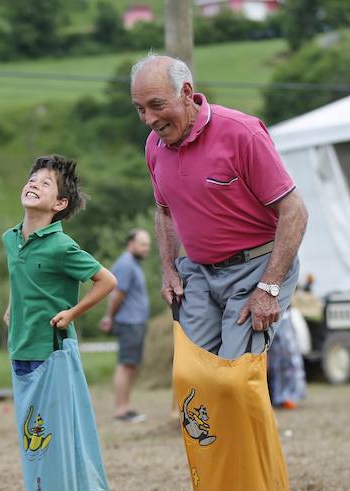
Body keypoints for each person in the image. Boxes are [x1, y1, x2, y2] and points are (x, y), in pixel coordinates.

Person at [131, 55, 307, 358]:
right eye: (140, 109)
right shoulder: (153, 146)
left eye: (156, 105)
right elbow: (164, 212)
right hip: (199, 273)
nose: (148, 119)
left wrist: (268, 287)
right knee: (196, 372)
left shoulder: (242, 133)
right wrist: (168, 269)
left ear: (186, 93)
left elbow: (295, 211)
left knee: (234, 378)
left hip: (256, 269)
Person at [3, 155, 116, 374]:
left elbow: (107, 281)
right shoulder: (10, 238)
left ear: (59, 203)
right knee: (28, 410)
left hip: (52, 350)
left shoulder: (61, 246)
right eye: (32, 179)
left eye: (45, 183)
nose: (34, 183)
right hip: (18, 347)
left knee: (53, 410)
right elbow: (20, 275)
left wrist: (72, 313)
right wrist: (11, 303)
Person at [99, 229, 152, 423]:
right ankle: (121, 410)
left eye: (147, 245)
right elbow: (117, 295)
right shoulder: (126, 264)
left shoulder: (133, 264)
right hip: (129, 322)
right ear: (131, 243)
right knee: (125, 365)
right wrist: (109, 317)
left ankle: (126, 407)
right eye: (143, 244)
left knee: (131, 366)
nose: (146, 249)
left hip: (136, 322)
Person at [267, 309, 307, 409]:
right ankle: (276, 395)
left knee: (287, 354)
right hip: (269, 316)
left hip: (281, 314)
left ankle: (287, 396)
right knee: (273, 359)